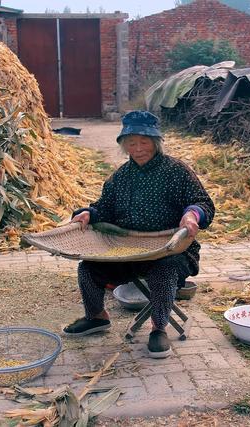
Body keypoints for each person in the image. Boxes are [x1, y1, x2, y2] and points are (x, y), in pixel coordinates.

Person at [63, 110, 215, 358]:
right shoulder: (121, 177)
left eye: (144, 142)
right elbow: (106, 207)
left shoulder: (176, 171)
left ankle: (158, 329)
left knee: (164, 270)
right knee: (88, 267)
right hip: (129, 250)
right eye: (132, 143)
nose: (138, 148)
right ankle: (97, 317)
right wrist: (89, 213)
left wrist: (192, 215)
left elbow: (202, 202)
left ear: (155, 143)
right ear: (124, 146)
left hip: (170, 247)